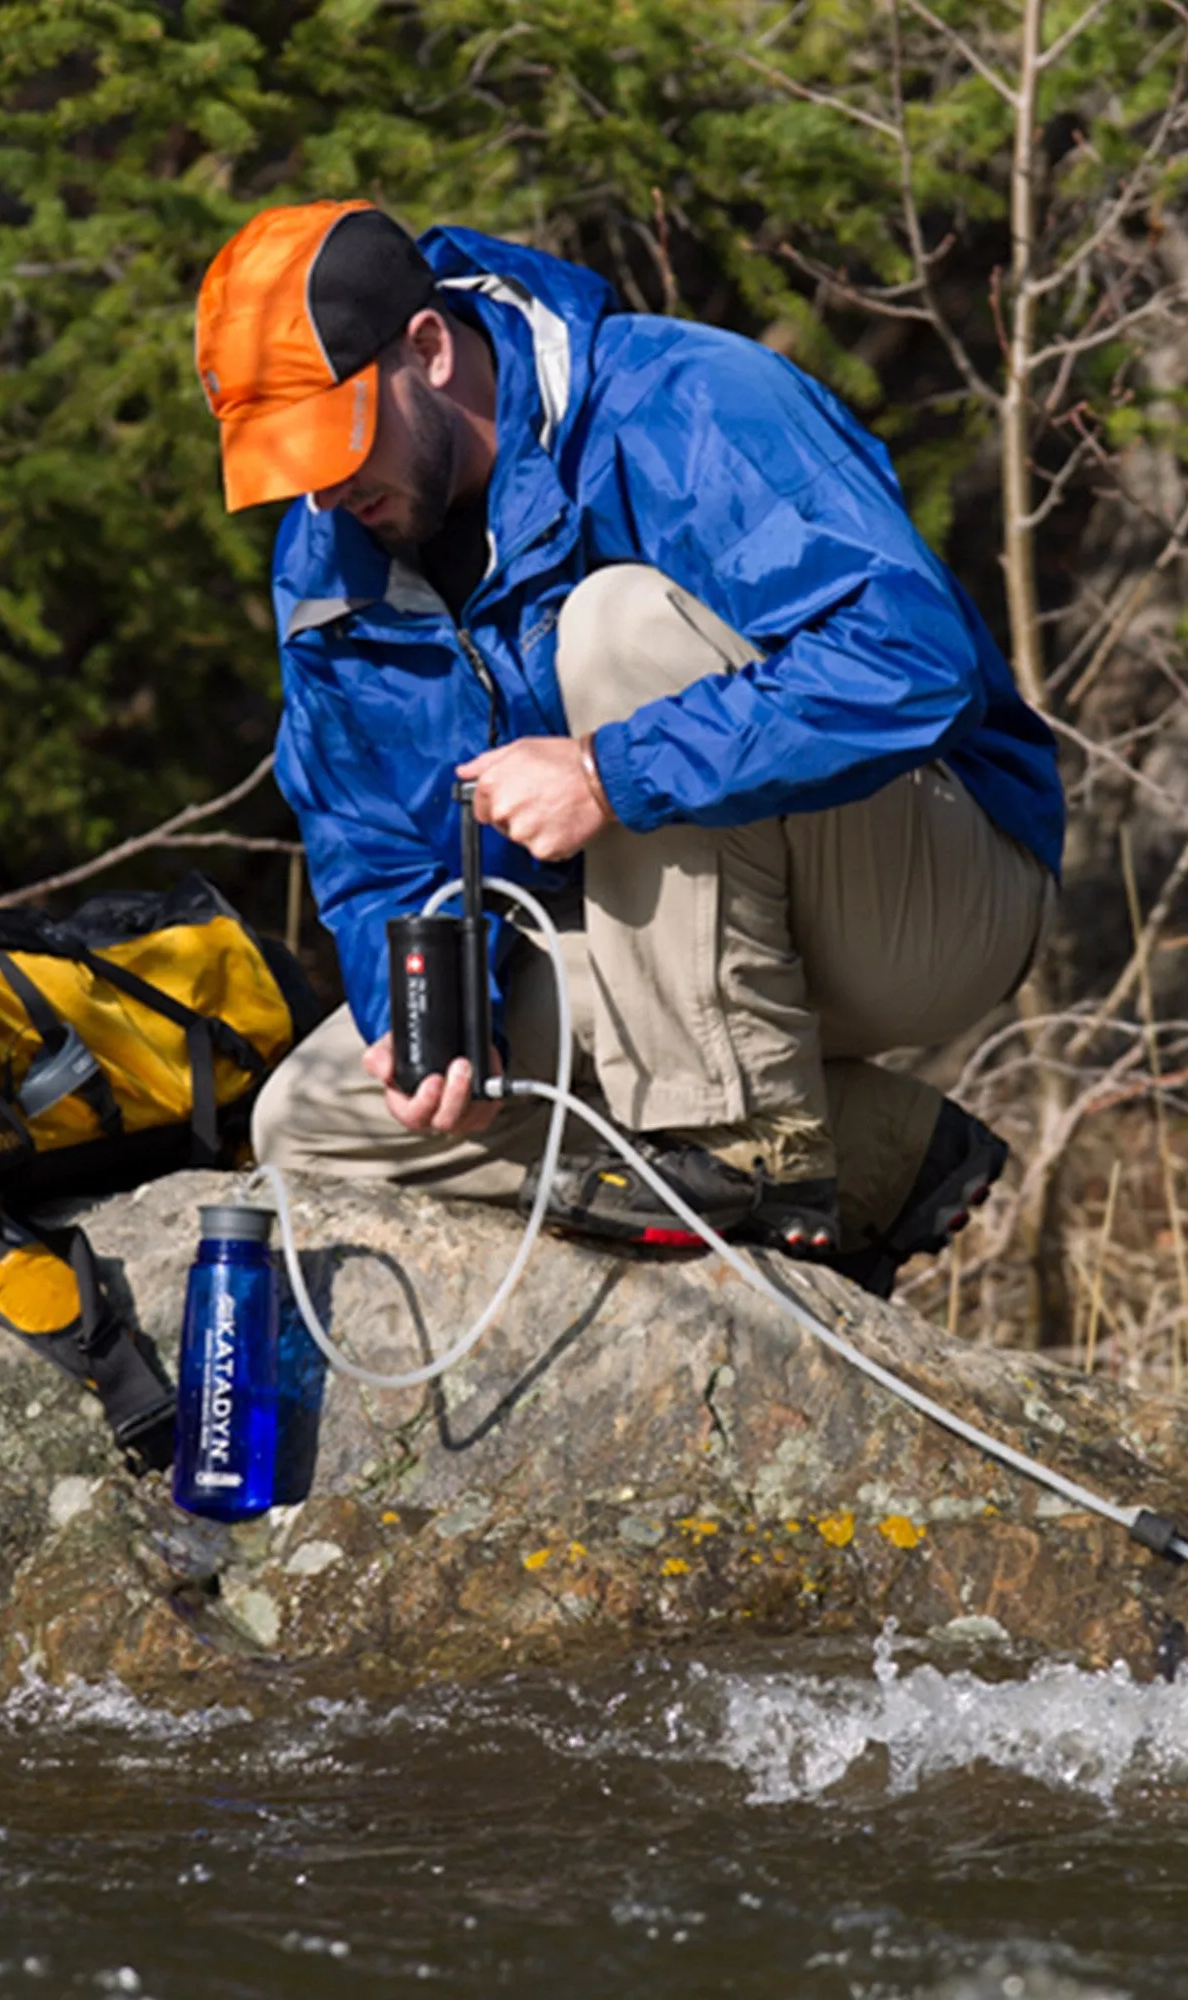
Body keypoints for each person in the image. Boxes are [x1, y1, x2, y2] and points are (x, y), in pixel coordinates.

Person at [194, 200, 1061, 1295]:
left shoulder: (685, 401)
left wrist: (610, 772)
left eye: (336, 438)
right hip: (660, 953)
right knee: (310, 1121)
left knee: (617, 629)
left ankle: (754, 1155)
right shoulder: (329, 554)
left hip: (921, 905)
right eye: (290, 460)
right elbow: (371, 849)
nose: (323, 486)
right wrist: (425, 1015)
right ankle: (881, 1148)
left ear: (426, 349)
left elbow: (909, 658)